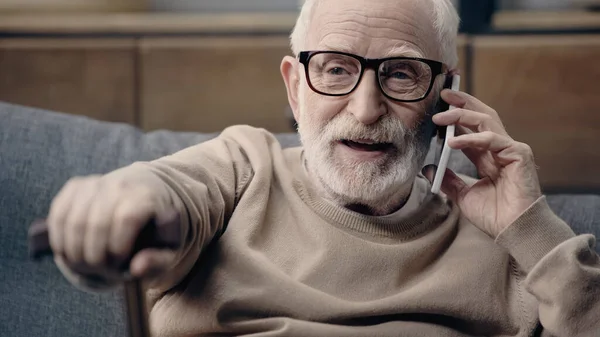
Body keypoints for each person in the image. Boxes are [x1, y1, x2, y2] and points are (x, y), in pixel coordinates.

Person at [46, 0, 600, 336]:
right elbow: (165, 192)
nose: (365, 109)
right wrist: (117, 204)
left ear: (444, 94)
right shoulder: (242, 167)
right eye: (336, 69)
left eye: (402, 73)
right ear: (294, 86)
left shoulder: (512, 243)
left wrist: (530, 227)